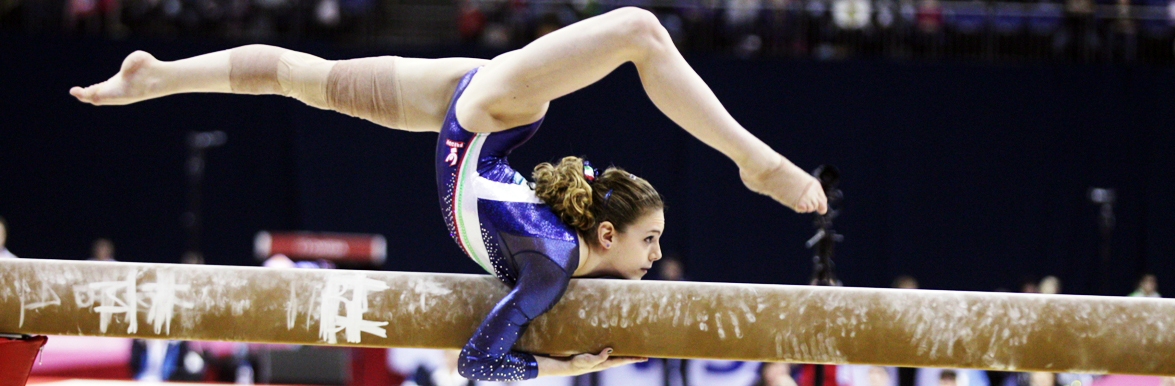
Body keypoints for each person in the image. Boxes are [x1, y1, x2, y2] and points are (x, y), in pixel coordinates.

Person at [71, 7, 828, 381]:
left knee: (303, 80)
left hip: (473, 116)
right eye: (649, 241)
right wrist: (572, 368)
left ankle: (160, 76)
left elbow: (486, 356)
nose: (658, 257)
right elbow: (478, 365)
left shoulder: (556, 256)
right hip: (485, 117)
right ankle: (754, 161)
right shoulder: (554, 262)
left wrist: (565, 363)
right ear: (603, 235)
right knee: (638, 28)